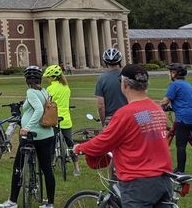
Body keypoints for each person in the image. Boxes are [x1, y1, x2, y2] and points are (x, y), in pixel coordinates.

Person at [74, 65, 174, 208]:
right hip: (163, 178)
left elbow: (104, 141)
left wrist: (80, 148)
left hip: (138, 181)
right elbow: (141, 133)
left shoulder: (126, 113)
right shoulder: (155, 109)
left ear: (124, 84)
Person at [0, 66, 56, 208]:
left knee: (18, 166)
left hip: (32, 136)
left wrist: (27, 127)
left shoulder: (30, 91)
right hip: (47, 134)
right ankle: (50, 203)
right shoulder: (44, 91)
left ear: (27, 80)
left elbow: (39, 109)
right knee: (47, 169)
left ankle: (12, 201)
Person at [158, 63, 192, 175]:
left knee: (180, 145)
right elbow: (185, 100)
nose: (168, 74)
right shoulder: (187, 84)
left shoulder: (174, 85)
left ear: (174, 74)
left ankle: (180, 170)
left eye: (170, 72)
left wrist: (158, 107)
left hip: (184, 117)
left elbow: (165, 101)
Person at [43, 64, 81, 176]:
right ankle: (77, 168)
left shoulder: (50, 89)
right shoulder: (66, 87)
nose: (47, 79)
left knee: (51, 144)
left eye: (48, 77)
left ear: (53, 78)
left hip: (53, 119)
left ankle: (49, 166)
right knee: (70, 144)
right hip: (66, 119)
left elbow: (47, 103)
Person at [95, 48, 127, 126]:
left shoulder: (101, 79)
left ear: (105, 62)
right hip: (127, 116)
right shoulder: (126, 76)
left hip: (111, 118)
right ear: (119, 61)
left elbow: (101, 106)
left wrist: (103, 123)